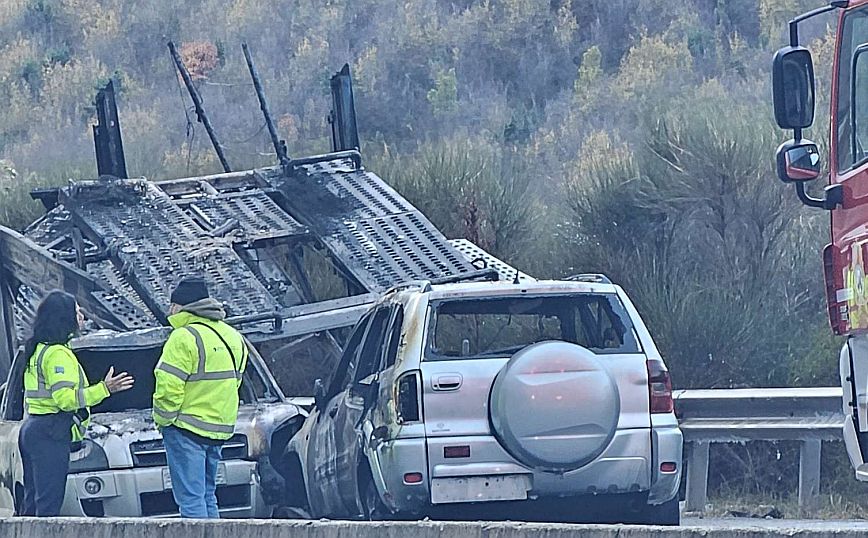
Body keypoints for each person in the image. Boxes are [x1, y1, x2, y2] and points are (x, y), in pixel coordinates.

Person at [19, 290, 134, 516]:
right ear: (64, 318)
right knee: (48, 506)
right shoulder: (58, 355)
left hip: (35, 428)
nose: (82, 317)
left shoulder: (39, 350)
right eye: (78, 312)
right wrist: (105, 389)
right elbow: (66, 400)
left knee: (33, 503)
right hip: (50, 432)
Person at [153, 276, 248, 519]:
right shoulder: (233, 336)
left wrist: (164, 420)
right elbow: (235, 382)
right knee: (207, 495)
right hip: (219, 429)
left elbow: (168, 387)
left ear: (179, 306)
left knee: (191, 499)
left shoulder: (183, 337)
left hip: (186, 429)